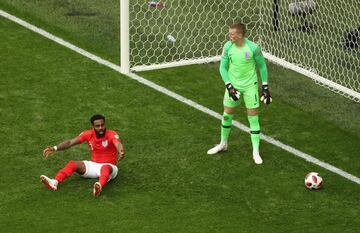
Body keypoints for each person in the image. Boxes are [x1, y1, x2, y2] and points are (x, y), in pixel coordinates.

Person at [207, 23, 272, 164]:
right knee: (226, 115)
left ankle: (256, 152)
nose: (229, 36)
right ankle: (223, 144)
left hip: (250, 87)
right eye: (229, 33)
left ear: (240, 35)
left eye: (232, 34)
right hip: (233, 86)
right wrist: (230, 87)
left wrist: (265, 87)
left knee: (253, 118)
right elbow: (222, 68)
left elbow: (262, 66)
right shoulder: (227, 46)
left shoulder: (253, 48)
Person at [40, 114, 125, 197]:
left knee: (105, 167)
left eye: (102, 125)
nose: (101, 128)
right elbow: (70, 142)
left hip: (110, 167)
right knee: (73, 164)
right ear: (93, 126)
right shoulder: (88, 134)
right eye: (97, 126)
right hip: (94, 165)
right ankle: (54, 182)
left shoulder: (111, 134)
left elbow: (117, 143)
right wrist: (54, 148)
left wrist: (120, 151)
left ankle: (99, 186)